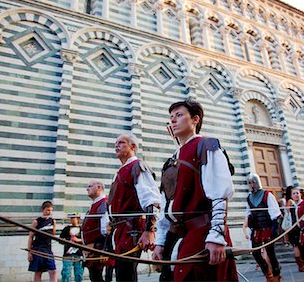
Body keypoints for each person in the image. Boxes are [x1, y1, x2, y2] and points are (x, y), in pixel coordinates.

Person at [152, 99, 238, 281]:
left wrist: (216, 236)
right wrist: (160, 242)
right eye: (171, 117)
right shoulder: (171, 160)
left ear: (195, 120)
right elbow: (166, 206)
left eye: (179, 115)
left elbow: (220, 195)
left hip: (204, 233)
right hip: (177, 236)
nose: (173, 120)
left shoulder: (207, 146)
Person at [108, 133, 161, 282]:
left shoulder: (137, 166)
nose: (116, 145)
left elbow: (152, 200)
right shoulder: (119, 172)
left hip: (132, 229)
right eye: (116, 143)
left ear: (133, 147)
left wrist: (149, 230)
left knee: (126, 274)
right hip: (119, 230)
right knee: (121, 274)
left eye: (121, 143)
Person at [244, 173, 282, 282]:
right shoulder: (249, 198)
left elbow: (275, 213)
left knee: (271, 253)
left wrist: (274, 229)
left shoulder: (267, 195)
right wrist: (249, 223)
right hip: (256, 230)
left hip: (267, 228)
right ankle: (268, 274)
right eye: (249, 183)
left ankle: (276, 274)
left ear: (257, 182)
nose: (251, 185)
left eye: (253, 182)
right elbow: (248, 213)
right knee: (255, 253)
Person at [81, 181, 109, 282]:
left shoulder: (103, 203)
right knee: (94, 277)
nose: (87, 189)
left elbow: (107, 230)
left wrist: (104, 250)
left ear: (99, 187)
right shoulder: (94, 204)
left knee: (97, 277)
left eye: (90, 186)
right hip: (91, 249)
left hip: (98, 248)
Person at [27, 201, 57, 282]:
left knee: (53, 271)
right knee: (38, 272)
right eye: (47, 210)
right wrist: (29, 252)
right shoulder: (36, 221)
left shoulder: (53, 221)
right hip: (38, 249)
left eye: (50, 210)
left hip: (48, 249)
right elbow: (30, 237)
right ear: (42, 210)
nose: (49, 212)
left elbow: (53, 235)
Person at [284, 186, 304, 273]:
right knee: (297, 245)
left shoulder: (292, 202)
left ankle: (303, 264)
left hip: (294, 226)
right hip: (294, 226)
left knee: (298, 245)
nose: (296, 194)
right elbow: (288, 213)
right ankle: (301, 265)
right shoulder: (291, 202)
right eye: (293, 193)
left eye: (297, 193)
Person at [60, 213, 84, 282]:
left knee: (79, 274)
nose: (72, 220)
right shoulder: (66, 229)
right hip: (68, 254)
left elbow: (85, 240)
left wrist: (78, 240)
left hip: (79, 254)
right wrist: (67, 241)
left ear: (78, 219)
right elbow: (60, 240)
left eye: (74, 218)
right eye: (71, 218)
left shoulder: (82, 229)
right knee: (66, 273)